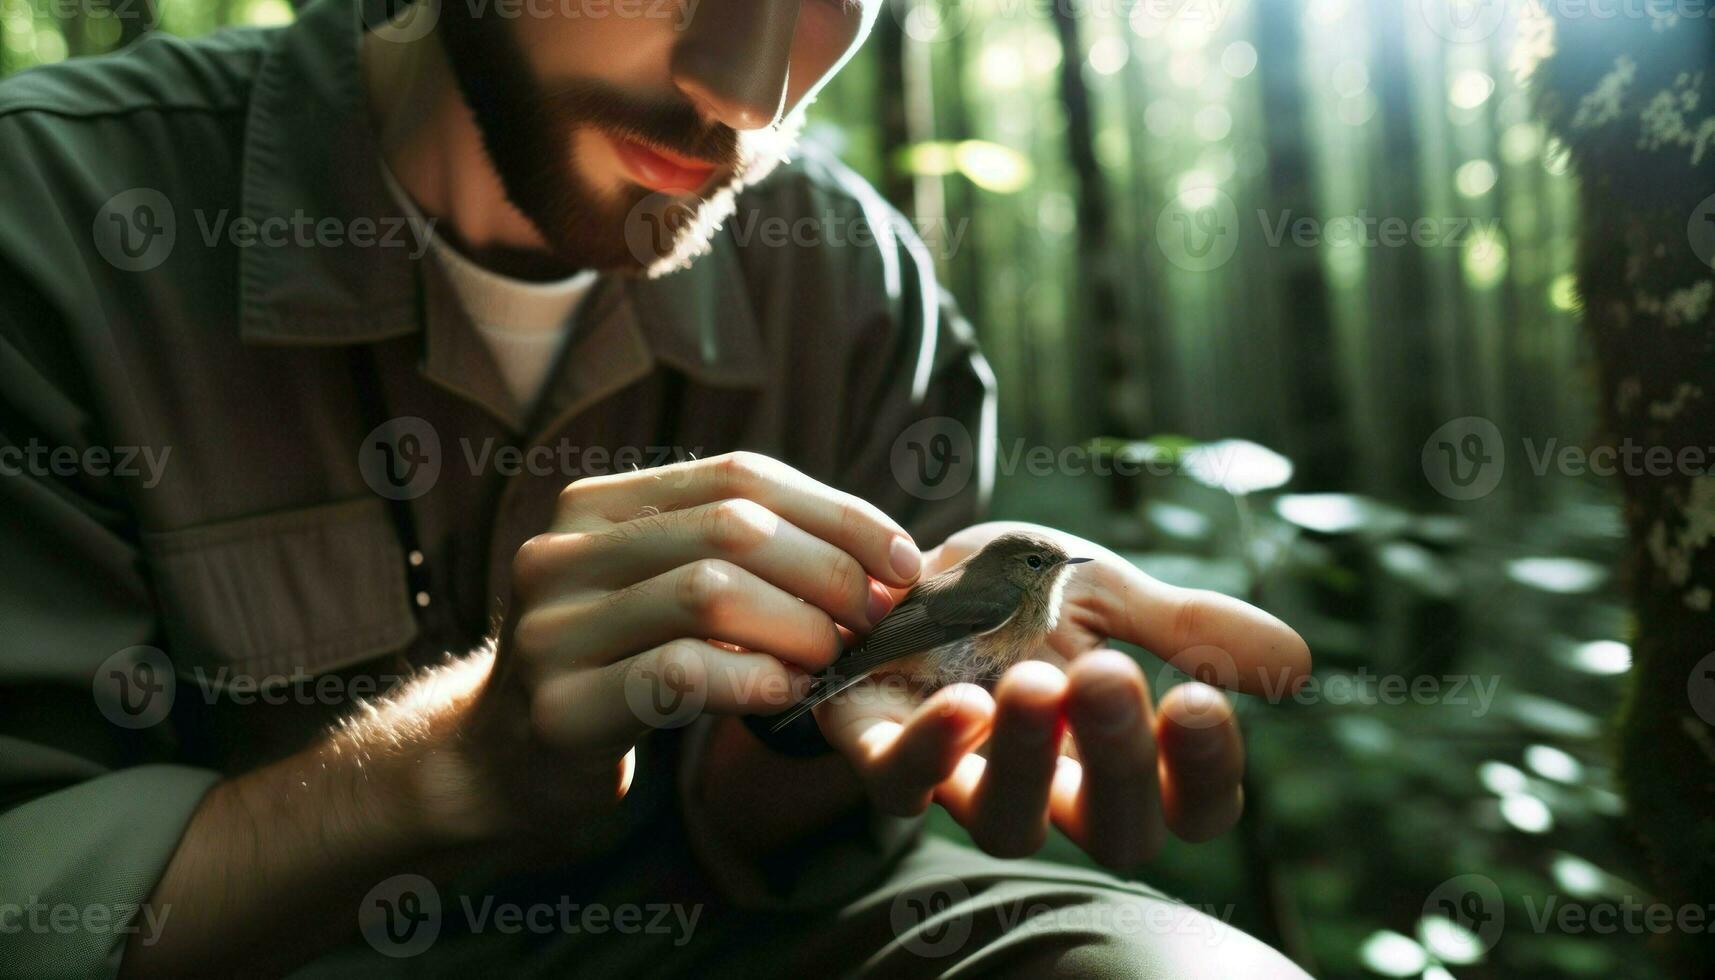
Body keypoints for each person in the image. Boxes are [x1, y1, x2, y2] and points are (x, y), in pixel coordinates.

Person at [0, 0, 1313, 974]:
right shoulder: (55, 224)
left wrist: (819, 725)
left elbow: (782, 852)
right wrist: (453, 767)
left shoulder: (849, 285)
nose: (745, 89)